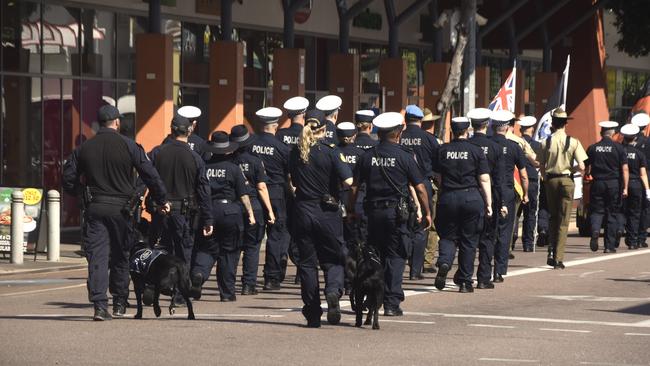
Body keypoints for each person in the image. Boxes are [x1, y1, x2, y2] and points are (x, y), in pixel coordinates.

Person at [62, 105, 169, 320]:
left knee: (97, 257)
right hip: (122, 210)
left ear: (99, 123)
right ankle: (119, 302)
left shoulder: (84, 148)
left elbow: (67, 178)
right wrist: (161, 199)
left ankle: (100, 305)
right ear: (117, 122)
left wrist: (81, 193)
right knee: (121, 255)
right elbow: (150, 175)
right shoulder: (129, 146)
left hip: (95, 207)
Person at [352, 112, 431, 315]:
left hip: (372, 214)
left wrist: (352, 209)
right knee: (396, 256)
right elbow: (420, 188)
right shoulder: (404, 156)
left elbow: (355, 187)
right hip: (396, 214)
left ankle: (372, 299)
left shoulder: (368, 156)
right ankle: (391, 303)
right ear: (399, 132)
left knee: (374, 255)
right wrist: (427, 212)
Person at [289, 109, 353, 328]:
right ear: (324, 129)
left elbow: (292, 182)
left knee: (307, 264)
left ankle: (313, 315)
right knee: (334, 258)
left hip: (303, 210)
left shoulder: (295, 151)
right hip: (326, 211)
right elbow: (349, 181)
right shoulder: (331, 151)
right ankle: (333, 291)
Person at [148, 114, 213, 306]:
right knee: (183, 255)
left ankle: (153, 288)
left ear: (171, 129)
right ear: (189, 131)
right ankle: (179, 295)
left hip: (160, 211)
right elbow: (203, 190)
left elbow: (145, 179)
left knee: (159, 251)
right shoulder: (195, 158)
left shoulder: (157, 153)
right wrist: (208, 219)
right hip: (185, 214)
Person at [191, 132, 255, 302]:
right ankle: (227, 293)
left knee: (206, 248)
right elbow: (243, 195)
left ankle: (199, 273)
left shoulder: (203, 166)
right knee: (229, 253)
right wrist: (250, 214)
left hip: (207, 211)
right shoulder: (234, 168)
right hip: (230, 212)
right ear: (228, 149)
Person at [433, 116, 492, 293]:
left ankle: (444, 261)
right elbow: (484, 178)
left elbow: (437, 176)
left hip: (449, 197)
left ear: (452, 130)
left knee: (447, 235)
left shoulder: (442, 150)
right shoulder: (475, 150)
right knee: (469, 240)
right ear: (467, 131)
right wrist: (488, 203)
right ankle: (465, 282)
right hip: (471, 197)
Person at [538, 108, 587, 268]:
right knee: (563, 220)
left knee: (552, 217)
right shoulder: (573, 141)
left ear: (552, 123)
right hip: (566, 180)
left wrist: (545, 177)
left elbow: (541, 165)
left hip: (551, 181)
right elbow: (581, 166)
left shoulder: (546, 142)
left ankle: (550, 251)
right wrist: (570, 170)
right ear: (565, 123)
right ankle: (558, 258)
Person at [249, 107, 292, 290]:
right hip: (276, 194)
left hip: (252, 193)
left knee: (253, 239)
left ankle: (248, 281)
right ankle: (271, 278)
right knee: (275, 236)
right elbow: (290, 174)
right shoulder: (282, 148)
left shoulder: (249, 143)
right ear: (275, 126)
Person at [230, 125, 276, 295]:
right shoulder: (255, 161)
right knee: (252, 247)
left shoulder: (229, 161)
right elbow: (262, 187)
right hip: (254, 206)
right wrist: (270, 211)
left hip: (234, 206)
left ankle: (228, 283)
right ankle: (248, 284)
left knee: (233, 247)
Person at [399, 105, 440, 280]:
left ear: (406, 119)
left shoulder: (398, 136)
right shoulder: (429, 139)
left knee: (403, 226)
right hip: (423, 184)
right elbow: (438, 164)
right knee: (422, 226)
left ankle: (401, 263)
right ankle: (415, 270)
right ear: (420, 120)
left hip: (400, 185)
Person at [467, 109, 505, 289]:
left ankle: (465, 278)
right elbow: (499, 178)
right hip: (490, 196)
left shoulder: (466, 145)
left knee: (468, 239)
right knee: (488, 238)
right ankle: (483, 277)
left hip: (469, 194)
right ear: (487, 125)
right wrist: (502, 202)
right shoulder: (495, 147)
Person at [490, 110, 528, 282]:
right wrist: (526, 194)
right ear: (506, 128)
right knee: (504, 231)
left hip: (488, 190)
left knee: (489, 230)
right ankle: (499, 270)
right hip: (507, 191)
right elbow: (524, 175)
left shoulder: (486, 145)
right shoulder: (514, 147)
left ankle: (485, 268)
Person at [585, 121, 629, 253]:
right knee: (612, 213)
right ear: (613, 134)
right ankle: (609, 246)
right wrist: (625, 187)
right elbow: (625, 169)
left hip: (597, 183)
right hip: (613, 184)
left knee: (597, 211)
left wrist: (588, 174)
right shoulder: (619, 148)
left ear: (601, 133)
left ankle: (595, 231)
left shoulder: (593, 148)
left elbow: (587, 168)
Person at [512, 116, 548, 251]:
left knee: (515, 213)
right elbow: (540, 163)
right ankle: (528, 244)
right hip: (532, 180)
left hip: (516, 181)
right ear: (532, 129)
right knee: (530, 213)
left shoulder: (515, 143)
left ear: (521, 130)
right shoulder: (537, 145)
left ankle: (512, 239)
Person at [620, 124, 650, 249]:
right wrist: (647, 189)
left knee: (619, 211)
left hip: (620, 184)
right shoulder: (639, 153)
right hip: (637, 184)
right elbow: (643, 173)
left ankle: (618, 232)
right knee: (636, 213)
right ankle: (633, 240)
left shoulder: (619, 151)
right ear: (634, 138)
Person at [421, 107, 442, 274]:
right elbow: (439, 164)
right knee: (431, 223)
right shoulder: (432, 140)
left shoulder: (403, 136)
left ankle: (412, 258)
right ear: (432, 123)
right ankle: (427, 261)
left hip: (405, 186)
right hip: (428, 184)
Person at [631, 112, 650, 247]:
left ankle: (632, 236)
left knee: (632, 209)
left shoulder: (628, 141)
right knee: (645, 209)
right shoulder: (648, 141)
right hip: (646, 177)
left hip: (630, 178)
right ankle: (641, 237)